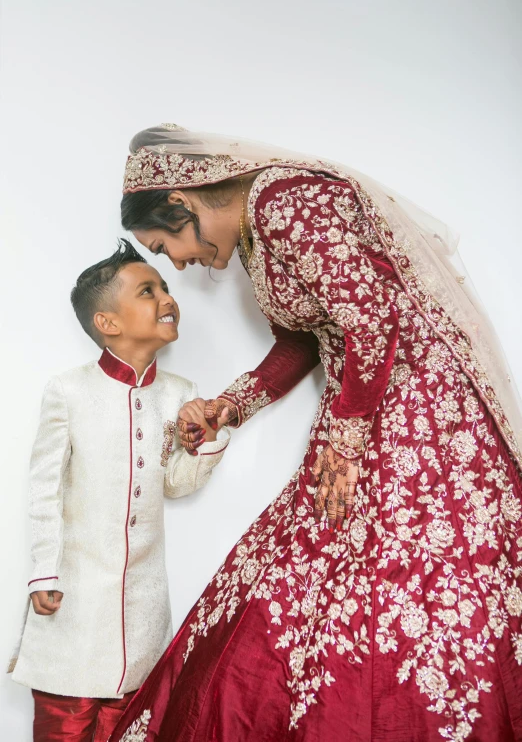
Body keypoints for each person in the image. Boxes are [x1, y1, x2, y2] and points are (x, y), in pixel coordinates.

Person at [111, 125, 522, 742]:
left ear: (184, 203)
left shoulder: (284, 200)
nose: (177, 261)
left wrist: (348, 437)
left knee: (427, 580)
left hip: (421, 413)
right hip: (360, 411)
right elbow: (304, 339)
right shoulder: (257, 236)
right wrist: (231, 405)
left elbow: (370, 314)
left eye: (163, 244)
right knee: (322, 575)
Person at [9, 240, 230, 742]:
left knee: (133, 720)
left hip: (144, 601)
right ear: (107, 323)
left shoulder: (179, 391)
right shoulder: (69, 390)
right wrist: (44, 570)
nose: (167, 298)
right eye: (148, 291)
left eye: (166, 287)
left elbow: (174, 484)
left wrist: (207, 441)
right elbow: (43, 490)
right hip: (75, 593)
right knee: (67, 713)